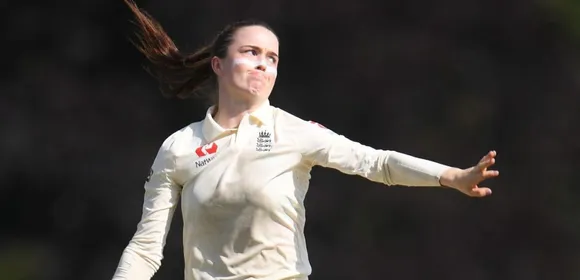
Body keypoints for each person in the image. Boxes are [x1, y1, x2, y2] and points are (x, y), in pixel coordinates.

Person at [113, 1, 500, 279]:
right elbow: (146, 250)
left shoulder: (295, 132)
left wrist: (450, 176)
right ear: (218, 64)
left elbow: (377, 163)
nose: (264, 63)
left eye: (273, 57)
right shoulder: (179, 147)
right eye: (251, 52)